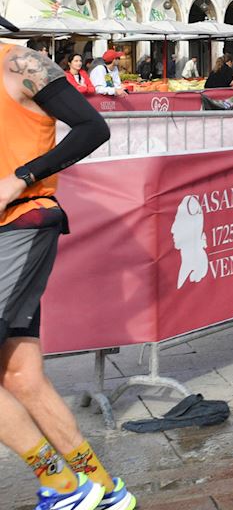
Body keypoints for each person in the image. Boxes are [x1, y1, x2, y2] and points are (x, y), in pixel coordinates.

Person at [0, 27, 136, 509]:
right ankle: (101, 488)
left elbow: (92, 128)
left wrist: (20, 178)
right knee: (21, 377)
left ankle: (64, 489)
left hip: (22, 221)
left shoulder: (20, 62)